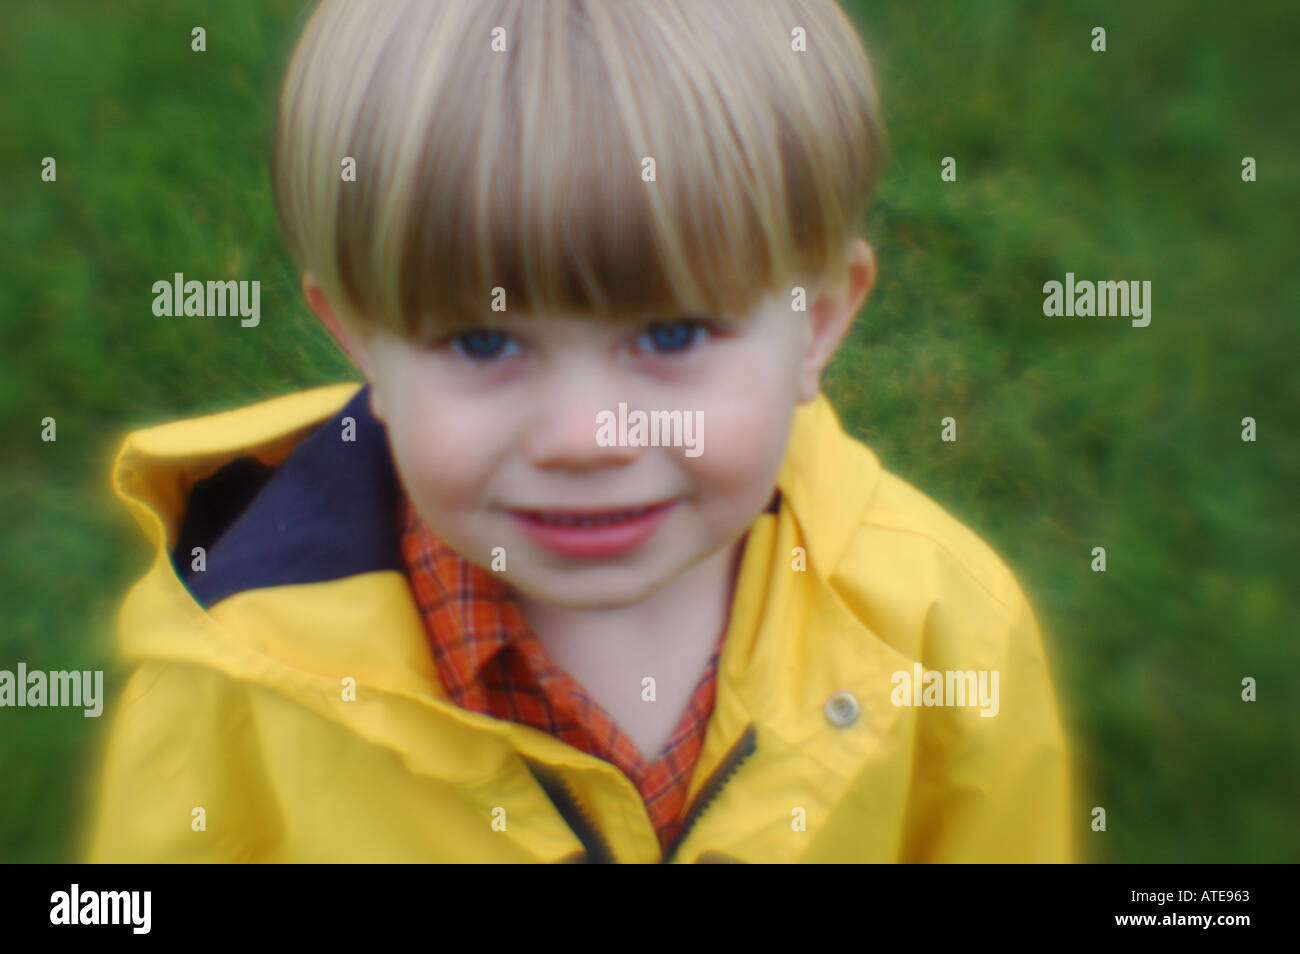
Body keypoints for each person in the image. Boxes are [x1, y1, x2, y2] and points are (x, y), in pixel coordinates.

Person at [86, 0, 1074, 862]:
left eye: (672, 333)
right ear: (366, 340)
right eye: (482, 344)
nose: (585, 436)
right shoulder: (232, 686)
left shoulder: (944, 633)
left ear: (815, 321)